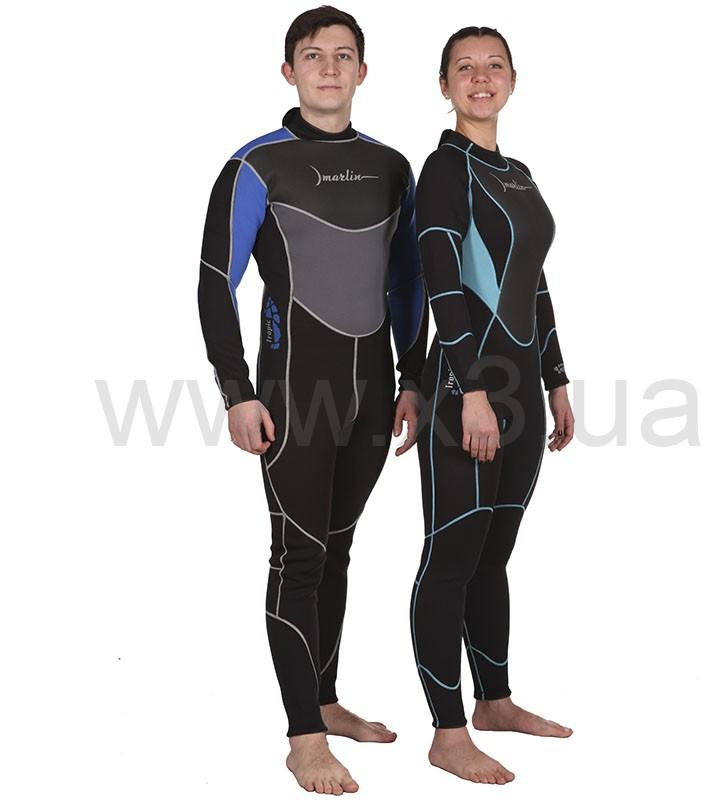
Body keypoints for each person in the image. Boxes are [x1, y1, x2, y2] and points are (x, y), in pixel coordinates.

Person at [196, 7, 428, 795]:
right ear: (288, 70)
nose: (328, 67)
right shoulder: (256, 165)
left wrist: (412, 377)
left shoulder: (392, 166)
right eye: (312, 54)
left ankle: (324, 701)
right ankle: (303, 739)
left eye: (343, 55)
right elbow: (214, 283)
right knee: (298, 554)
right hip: (293, 390)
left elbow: (409, 282)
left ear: (363, 71)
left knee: (338, 547)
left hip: (372, 392)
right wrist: (236, 392)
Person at [409, 26, 575, 784]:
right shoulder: (444, 169)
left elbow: (532, 281)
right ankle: (447, 733)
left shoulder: (519, 173)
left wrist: (556, 378)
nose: (481, 78)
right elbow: (444, 286)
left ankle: (495, 701)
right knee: (451, 557)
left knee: (492, 556)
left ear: (512, 79)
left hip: (523, 393)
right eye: (465, 68)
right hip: (464, 392)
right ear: (444, 85)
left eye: (494, 66)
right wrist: (470, 389)